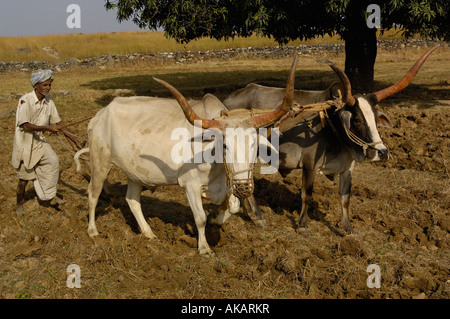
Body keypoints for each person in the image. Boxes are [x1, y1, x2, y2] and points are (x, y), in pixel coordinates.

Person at [12, 69, 82, 216]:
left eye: (49, 85)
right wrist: (47, 128)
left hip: (40, 141)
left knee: (53, 162)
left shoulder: (49, 102)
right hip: (25, 143)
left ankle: (49, 195)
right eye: (45, 85)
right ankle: (19, 204)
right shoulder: (25, 100)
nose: (48, 88)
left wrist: (75, 141)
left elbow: (59, 123)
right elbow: (25, 125)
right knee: (24, 179)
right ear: (36, 85)